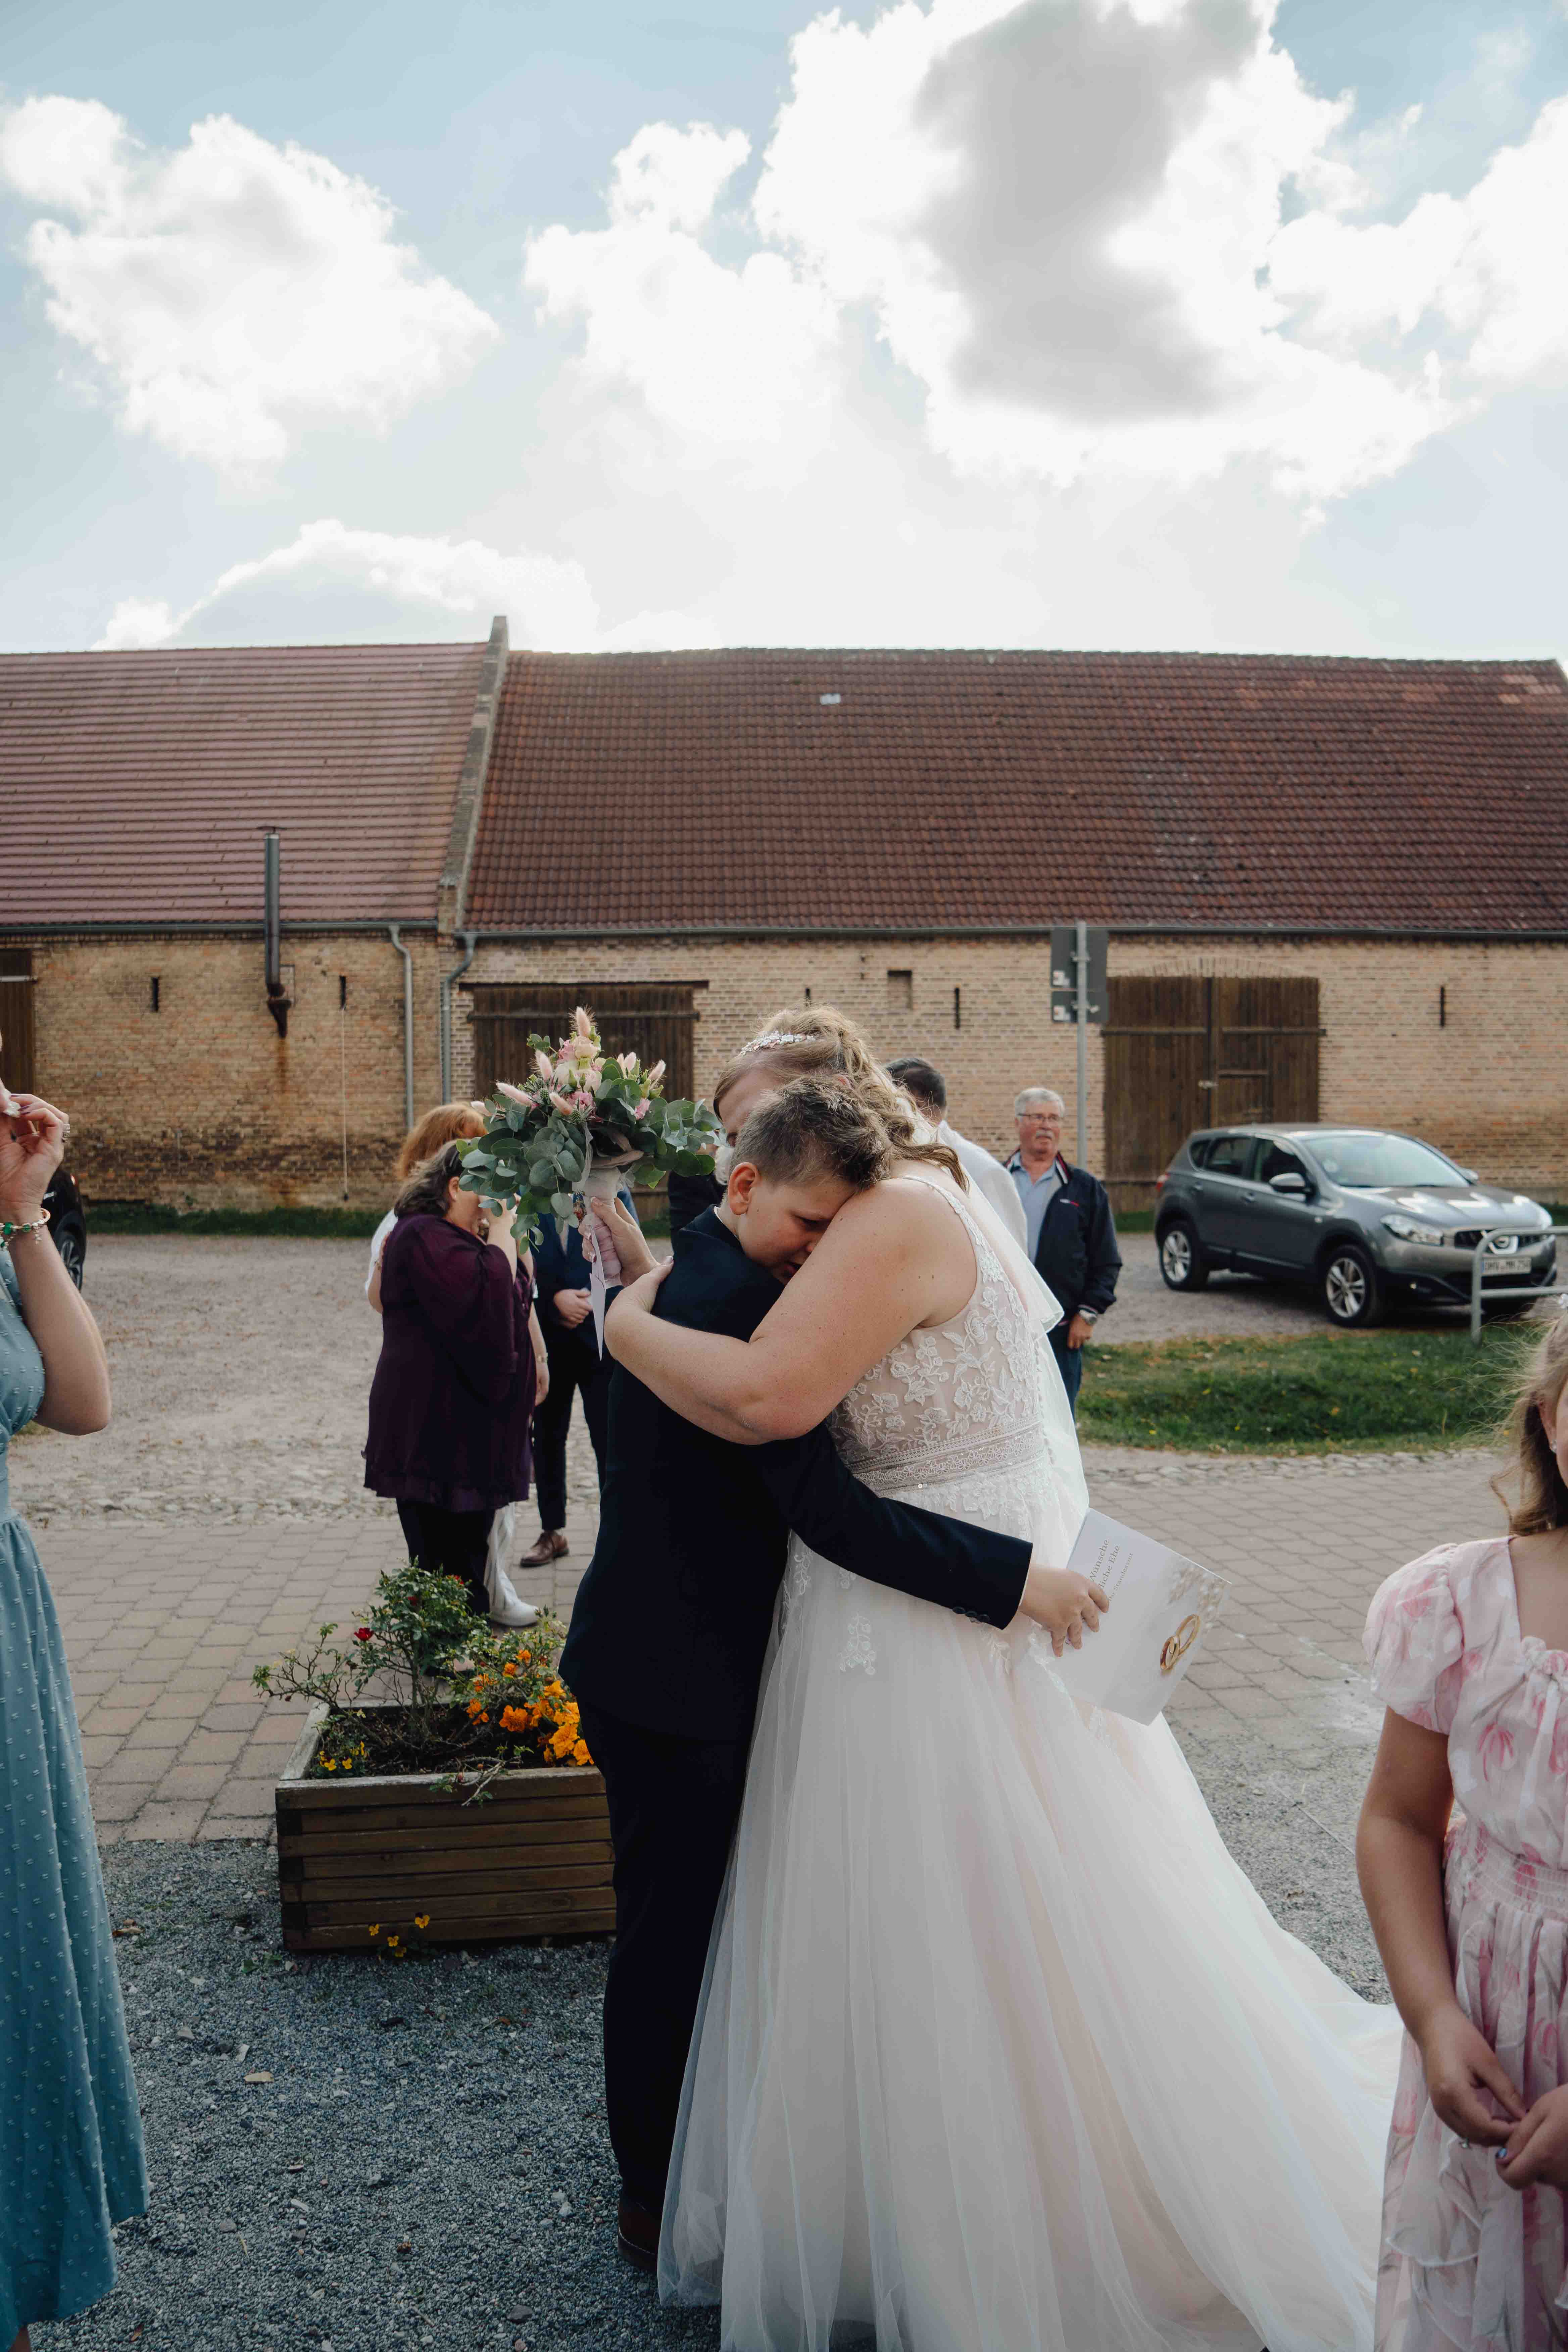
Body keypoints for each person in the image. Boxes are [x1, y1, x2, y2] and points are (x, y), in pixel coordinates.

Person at [608, 1003, 1401, 2352]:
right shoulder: (942, 1188)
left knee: (964, 1907)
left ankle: (1019, 2218)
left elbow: (769, 1403)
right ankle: (922, 2195)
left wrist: (619, 1322)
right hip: (959, 1573)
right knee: (988, 1903)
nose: (740, 1153)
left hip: (931, 1605)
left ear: (827, 1117)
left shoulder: (890, 1218)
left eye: (754, 1119)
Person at [565, 1078, 1102, 2275]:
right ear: (744, 1183)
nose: (824, 1256)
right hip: (672, 1671)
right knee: (669, 1939)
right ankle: (651, 2195)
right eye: (811, 1230)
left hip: (675, 1648)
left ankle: (680, 2174)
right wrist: (1015, 1582)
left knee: (697, 1928)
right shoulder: (721, 1302)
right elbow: (828, 1513)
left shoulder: (702, 1271)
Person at [1359, 1309, 1568, 2348]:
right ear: (1549, 1416)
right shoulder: (1459, 1600)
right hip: (1491, 2032)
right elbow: (1399, 1817)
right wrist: (1436, 2014)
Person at [0, 1066, 147, 2352]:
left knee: (15, 1936)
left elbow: (83, 1402)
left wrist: (25, 1213)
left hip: (6, 1609)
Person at [364, 1101, 535, 1623]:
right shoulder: (421, 1235)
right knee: (441, 1556)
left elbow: (514, 1296)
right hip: (431, 1430)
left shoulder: (465, 1238)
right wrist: (506, 1227)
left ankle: (465, 1656)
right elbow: (486, 1293)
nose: (496, 1200)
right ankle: (444, 1656)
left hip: (467, 1428)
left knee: (469, 1552)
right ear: (456, 1187)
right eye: (488, 1186)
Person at [521, 1180, 638, 1567]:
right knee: (548, 1438)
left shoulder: (611, 1192)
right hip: (549, 1343)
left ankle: (616, 1536)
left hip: (600, 1343)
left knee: (609, 1439)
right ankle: (552, 1531)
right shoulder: (530, 1195)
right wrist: (554, 1300)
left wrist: (593, 1297)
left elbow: (632, 1262)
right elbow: (519, 1263)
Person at [1007, 1083, 1121, 1413]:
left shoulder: (1084, 1188)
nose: (1046, 1126)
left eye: (1054, 1118)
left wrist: (1087, 1315)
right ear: (1018, 1123)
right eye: (1037, 1117)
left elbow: (1106, 1260)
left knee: (1059, 1422)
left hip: (1060, 1330)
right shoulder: (994, 1181)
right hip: (1004, 1329)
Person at [885, 1053, 1028, 1247]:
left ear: (914, 1104)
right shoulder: (898, 1162)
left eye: (885, 1106)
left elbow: (1013, 1258)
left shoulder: (985, 1172)